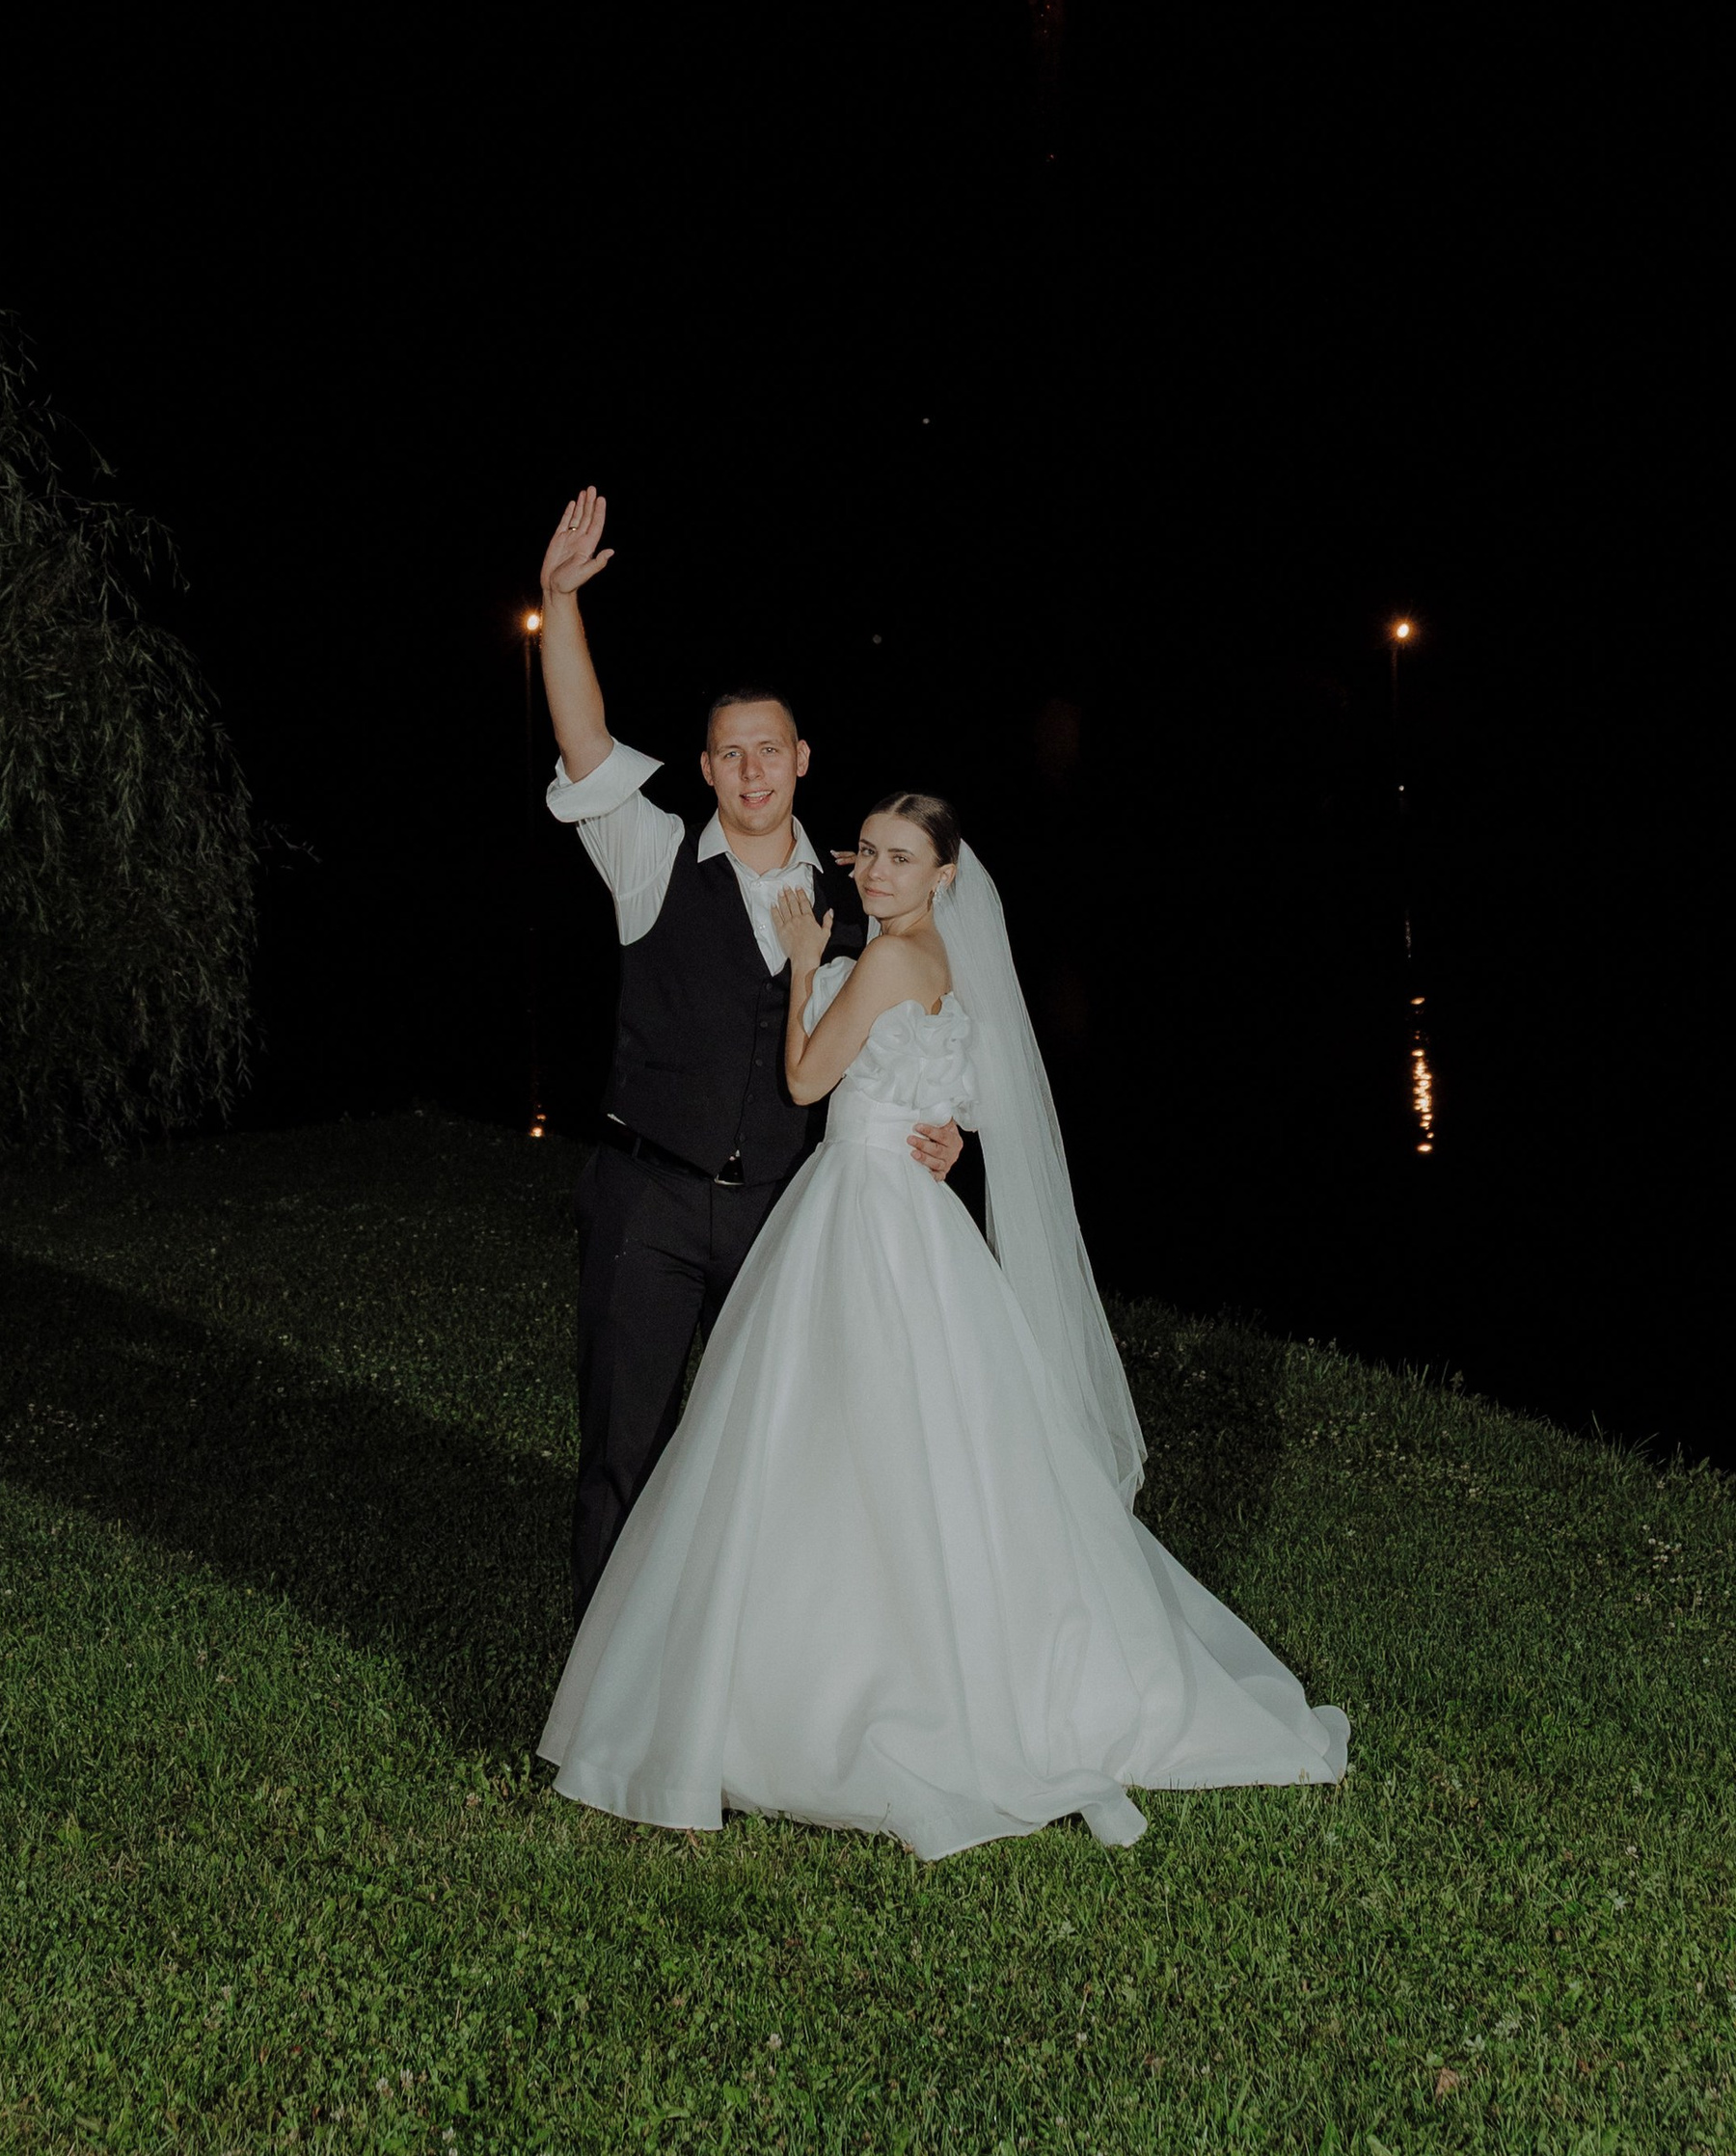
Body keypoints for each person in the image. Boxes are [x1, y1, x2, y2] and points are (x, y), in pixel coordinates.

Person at [540, 788, 1350, 1860]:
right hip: (910, 1215)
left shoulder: (878, 960)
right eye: (866, 852)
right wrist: (944, 1140)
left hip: (859, 1211)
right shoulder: (944, 965)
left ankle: (828, 1683)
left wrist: (797, 966)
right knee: (919, 1443)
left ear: (943, 875)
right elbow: (957, 1097)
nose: (873, 873)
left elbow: (802, 1076)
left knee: (819, 1438)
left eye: (899, 859)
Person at [536, 487, 965, 1604]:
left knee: (757, 1466)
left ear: (803, 758)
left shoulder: (860, 896)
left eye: (768, 750)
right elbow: (583, 743)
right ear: (708, 767)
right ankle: (598, 1692)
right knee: (622, 1453)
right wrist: (558, 604)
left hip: (784, 1217)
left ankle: (727, 1695)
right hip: (647, 1202)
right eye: (730, 755)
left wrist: (946, 1130)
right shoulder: (650, 858)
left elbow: (920, 1029)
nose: (752, 770)